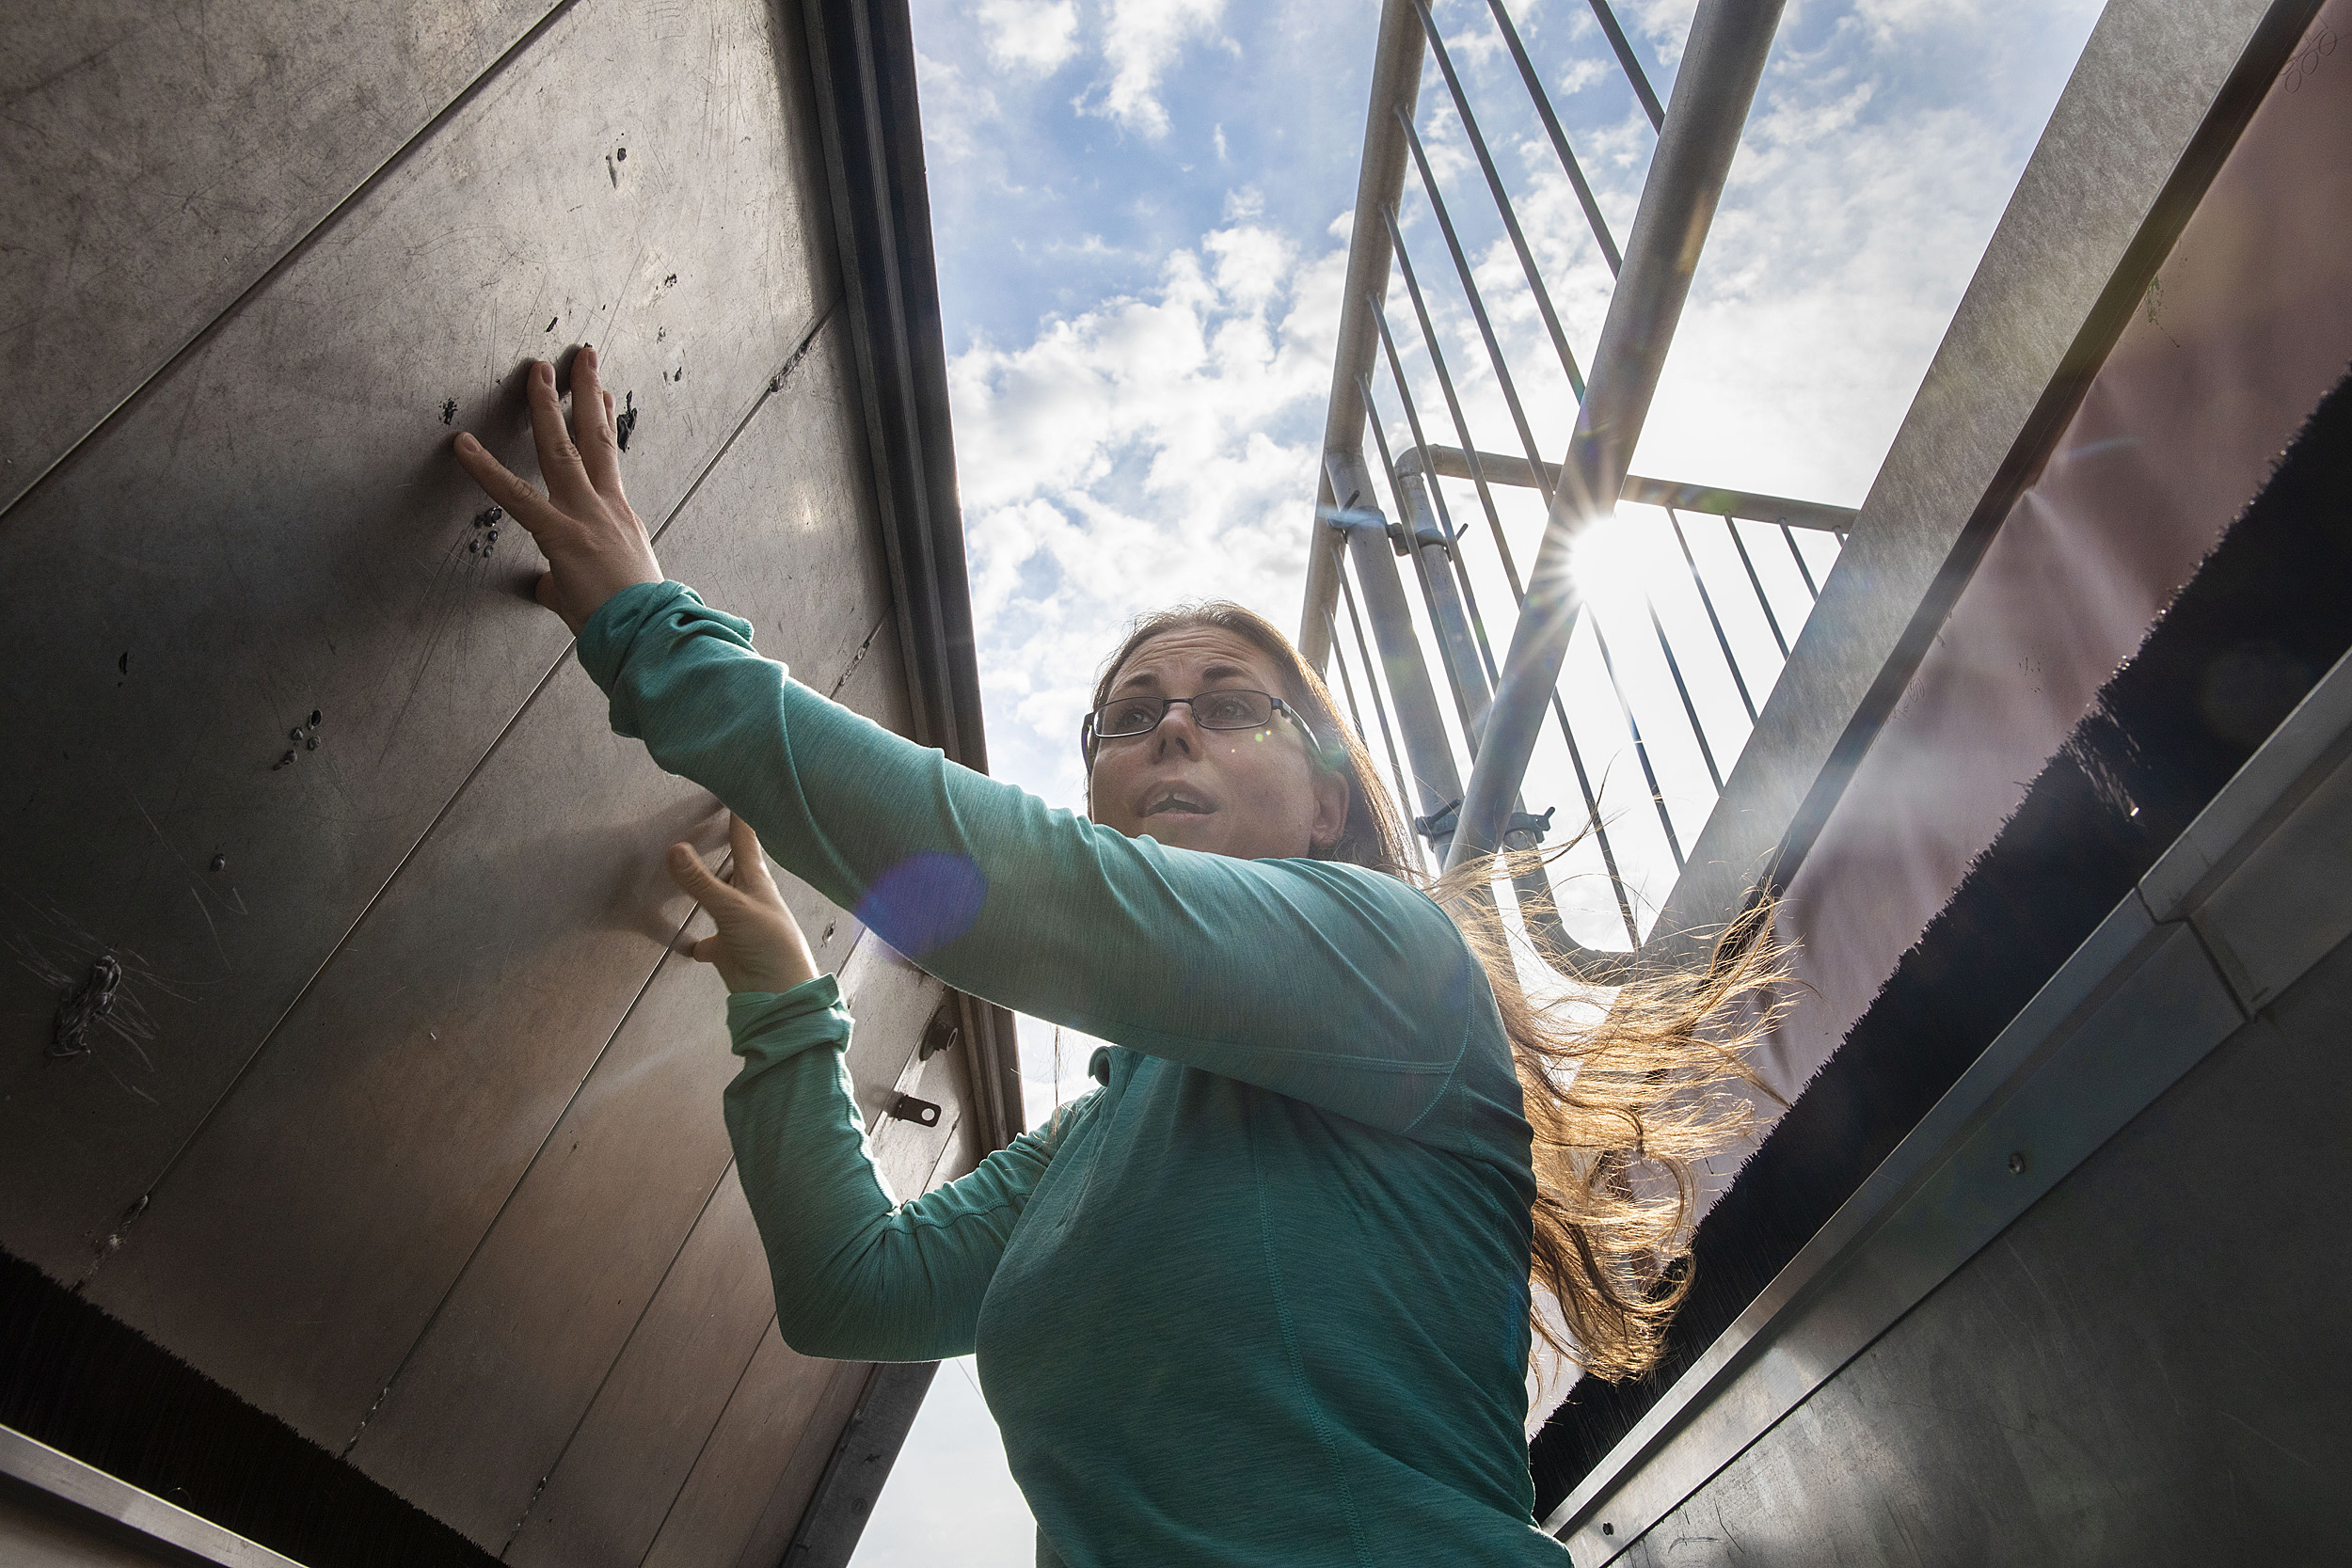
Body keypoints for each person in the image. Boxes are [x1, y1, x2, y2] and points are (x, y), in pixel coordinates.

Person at [454, 349, 1777, 1566]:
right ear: (1100, 789)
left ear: (1327, 805)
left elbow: (1050, 901)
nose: (1173, 731)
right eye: (1131, 716)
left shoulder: (1396, 960)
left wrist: (654, 636)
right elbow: (852, 1287)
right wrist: (783, 1004)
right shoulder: (1096, 1144)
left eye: (1232, 707)